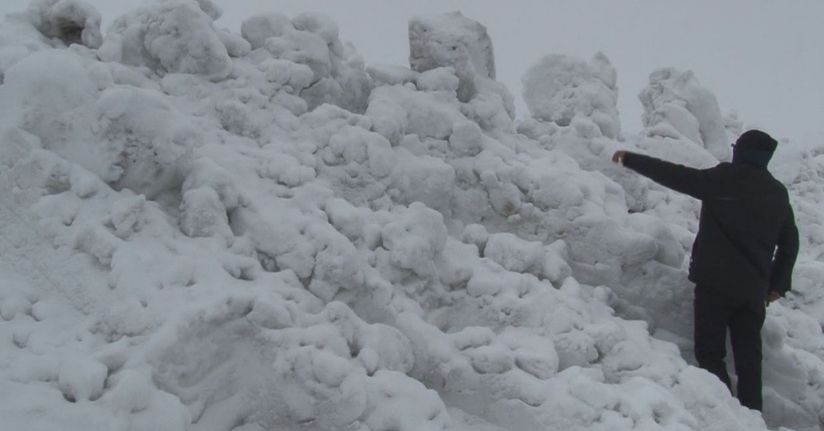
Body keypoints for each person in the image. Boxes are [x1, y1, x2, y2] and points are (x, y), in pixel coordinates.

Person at [612, 129, 799, 411]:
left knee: (710, 354)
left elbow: (675, 175)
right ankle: (752, 417)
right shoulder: (777, 193)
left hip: (716, 286)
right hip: (752, 292)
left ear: (741, 152)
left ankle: (729, 417)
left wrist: (632, 160)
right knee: (749, 363)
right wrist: (776, 285)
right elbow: (790, 244)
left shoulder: (722, 179)